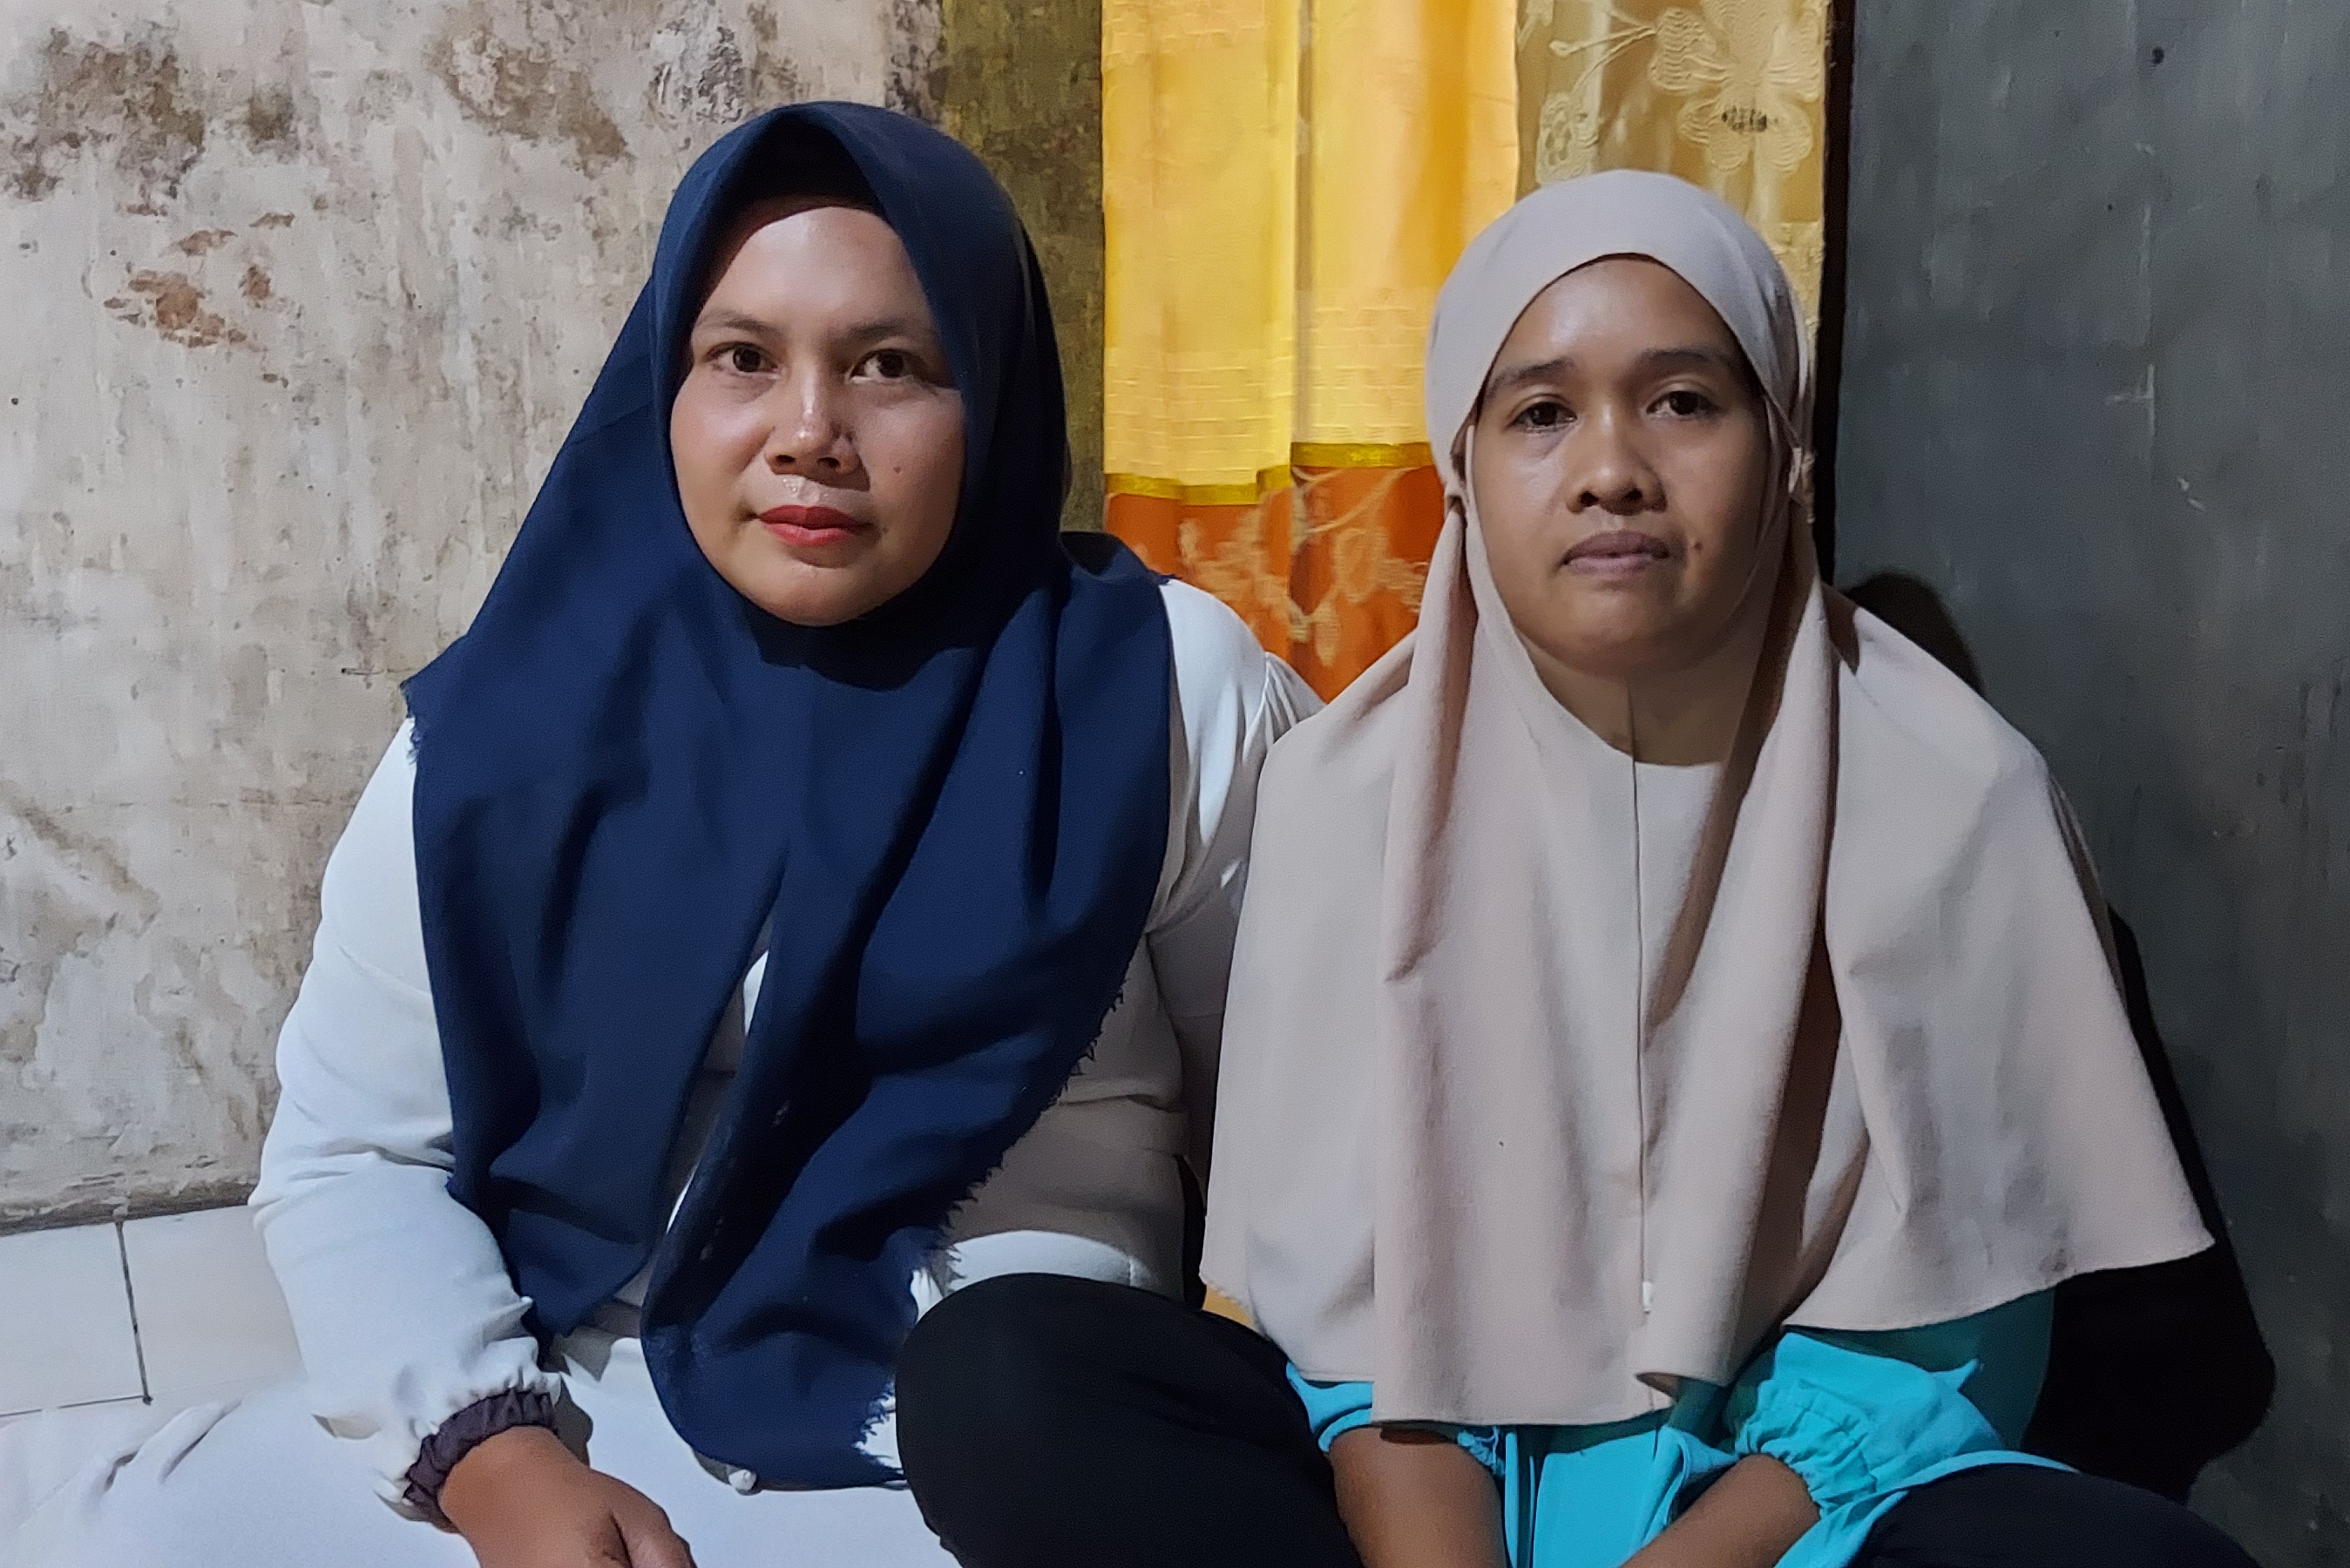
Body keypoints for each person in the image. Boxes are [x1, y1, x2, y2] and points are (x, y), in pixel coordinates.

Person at [0, 102, 1316, 1568]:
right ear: (666, 383)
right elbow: (354, 1153)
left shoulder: (1159, 693)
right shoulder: (506, 735)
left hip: (987, 1429)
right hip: (580, 1392)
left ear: (990, 389)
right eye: (744, 359)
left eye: (889, 365)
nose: (809, 434)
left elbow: (1321, 1124)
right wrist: (496, 1460)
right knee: (107, 1536)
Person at [892, 172, 2260, 1568]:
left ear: (1782, 441)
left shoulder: (1953, 794)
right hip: (1423, 1511)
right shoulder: (1345, 801)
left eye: (1684, 402)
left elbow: (1943, 1343)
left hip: (1797, 1525)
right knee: (1000, 1377)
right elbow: (1357, 1341)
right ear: (1462, 467)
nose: (1613, 468)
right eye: (1541, 414)